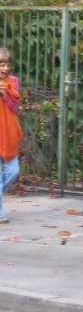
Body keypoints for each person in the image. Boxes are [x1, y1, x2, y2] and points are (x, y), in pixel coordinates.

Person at [0, 48, 23, 224]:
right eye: (2, 65)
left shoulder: (13, 82)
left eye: (8, 65)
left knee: (13, 170)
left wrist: (4, 94)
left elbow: (13, 107)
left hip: (9, 133)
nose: (5, 68)